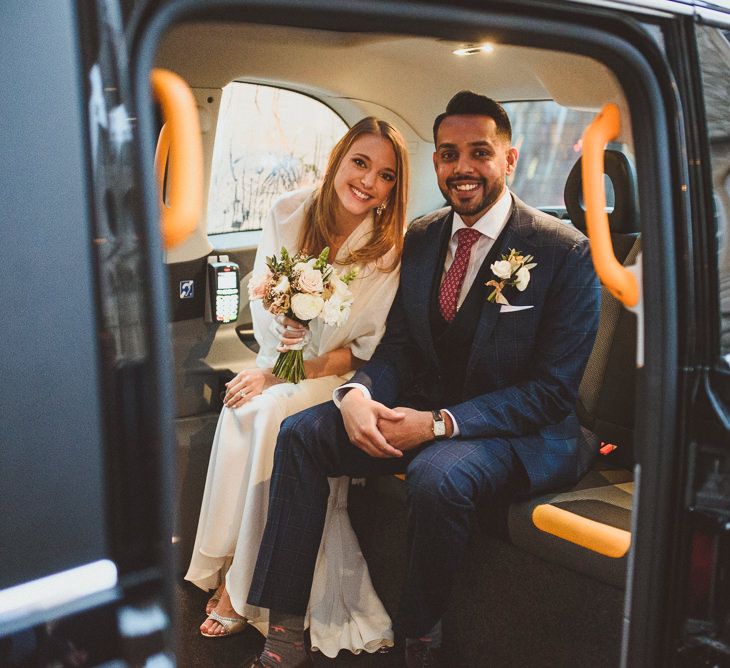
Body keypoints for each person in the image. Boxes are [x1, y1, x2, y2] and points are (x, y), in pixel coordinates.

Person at [244, 90, 602, 668]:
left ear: (509, 160)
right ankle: (285, 629)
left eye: (478, 152)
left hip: (518, 434)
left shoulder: (563, 251)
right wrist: (357, 394)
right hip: (420, 410)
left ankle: (419, 639)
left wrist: (440, 424)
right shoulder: (424, 236)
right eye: (447, 154)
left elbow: (551, 391)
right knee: (303, 433)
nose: (461, 168)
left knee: (437, 475)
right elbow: (403, 346)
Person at [184, 117, 410, 657]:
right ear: (339, 158)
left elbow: (362, 352)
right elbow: (264, 311)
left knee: (266, 411)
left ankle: (240, 588)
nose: (368, 182)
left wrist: (279, 374)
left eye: (385, 176)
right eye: (361, 163)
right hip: (277, 358)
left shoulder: (386, 249)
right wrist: (278, 346)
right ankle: (224, 562)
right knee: (243, 407)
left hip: (337, 377)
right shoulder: (287, 211)